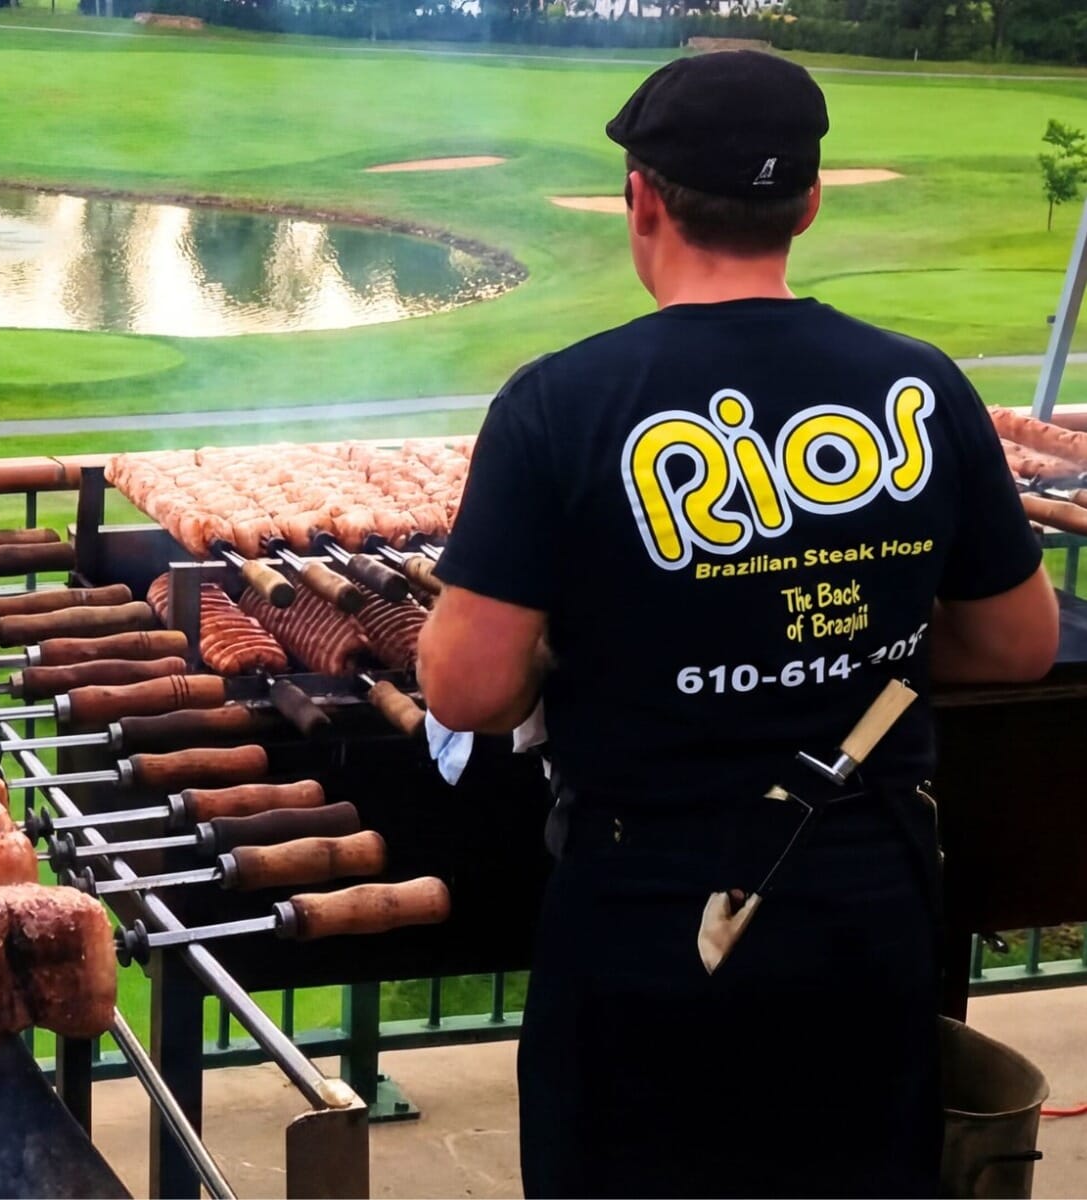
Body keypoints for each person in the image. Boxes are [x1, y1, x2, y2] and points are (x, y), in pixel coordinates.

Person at [416, 51, 1060, 1198]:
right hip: (864, 891)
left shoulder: (558, 403)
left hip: (645, 903)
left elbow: (465, 690)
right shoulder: (921, 385)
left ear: (642, 200)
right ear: (807, 205)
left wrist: (582, 657)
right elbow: (1014, 640)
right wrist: (858, 651)